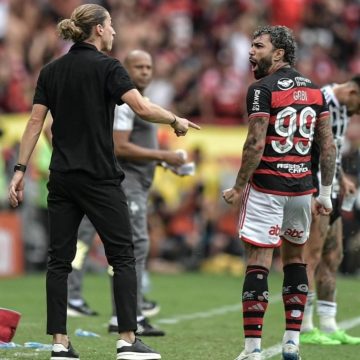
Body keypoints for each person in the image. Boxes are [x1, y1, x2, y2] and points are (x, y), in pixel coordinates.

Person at [8, 4, 199, 360]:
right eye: (110, 26)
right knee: (123, 255)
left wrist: (19, 170)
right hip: (99, 178)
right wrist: (175, 119)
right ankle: (127, 340)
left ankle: (59, 345)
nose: (113, 32)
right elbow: (141, 108)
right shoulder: (109, 68)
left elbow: (35, 124)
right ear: (97, 29)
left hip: (62, 179)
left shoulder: (51, 70)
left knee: (58, 262)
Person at [222, 25, 336, 360]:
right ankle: (291, 342)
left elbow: (255, 143)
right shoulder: (317, 92)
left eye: (258, 46)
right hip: (302, 189)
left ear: (279, 53)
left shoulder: (262, 89)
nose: (251, 52)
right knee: (296, 260)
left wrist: (238, 186)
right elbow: (327, 147)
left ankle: (253, 349)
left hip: (266, 187)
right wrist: (325, 194)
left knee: (258, 261)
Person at [67, 49, 187, 337]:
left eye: (148, 66)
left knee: (130, 248)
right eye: (138, 67)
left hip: (135, 183)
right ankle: (126, 314)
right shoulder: (125, 102)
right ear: (126, 70)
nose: (145, 71)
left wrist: (163, 161)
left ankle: (127, 311)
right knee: (131, 247)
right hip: (126, 183)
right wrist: (164, 155)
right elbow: (120, 147)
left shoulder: (139, 102)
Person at [300, 75, 360, 345]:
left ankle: (328, 325)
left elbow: (331, 149)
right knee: (310, 257)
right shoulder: (319, 99)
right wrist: (312, 189)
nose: (357, 113)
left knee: (333, 255)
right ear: (352, 91)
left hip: (333, 188)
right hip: (315, 190)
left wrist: (342, 177)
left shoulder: (345, 108)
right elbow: (307, 147)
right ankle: (304, 326)